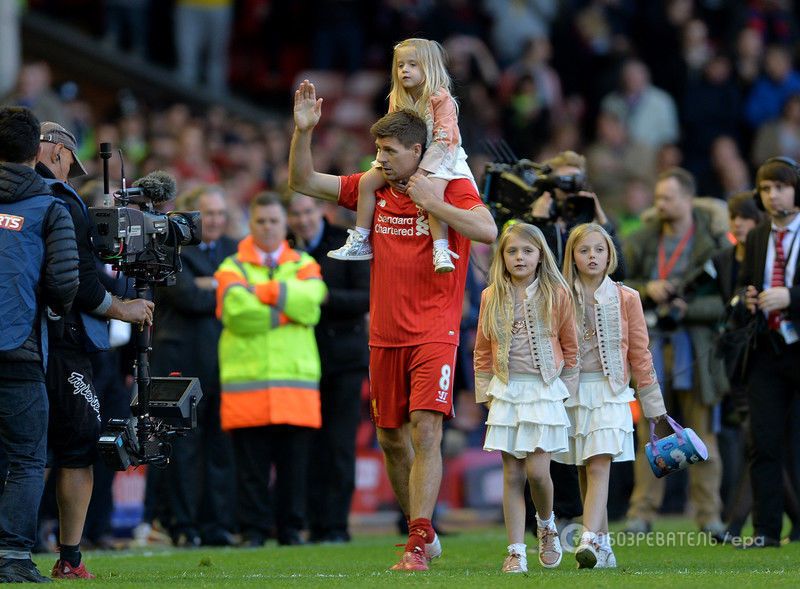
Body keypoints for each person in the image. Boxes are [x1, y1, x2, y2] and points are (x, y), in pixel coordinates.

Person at [289, 80, 497, 571]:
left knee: (426, 430)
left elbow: (488, 229)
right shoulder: (373, 189)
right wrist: (303, 134)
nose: (379, 159)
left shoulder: (451, 184)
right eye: (376, 149)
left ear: (418, 151)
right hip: (383, 333)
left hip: (435, 330)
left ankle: (418, 541)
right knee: (389, 437)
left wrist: (434, 202)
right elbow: (303, 181)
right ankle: (420, 528)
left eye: (389, 151)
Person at [35, 120, 154, 579]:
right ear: (57, 153)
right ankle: (70, 556)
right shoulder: (62, 201)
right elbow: (77, 281)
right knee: (75, 449)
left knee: (23, 448)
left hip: (20, 339)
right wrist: (121, 307)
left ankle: (12, 547)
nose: (69, 173)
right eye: (68, 163)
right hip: (64, 343)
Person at [214, 192, 326, 547]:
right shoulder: (231, 267)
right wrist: (286, 307)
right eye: (261, 221)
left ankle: (291, 530)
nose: (267, 227)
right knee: (251, 471)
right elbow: (236, 314)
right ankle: (254, 531)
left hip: (295, 386)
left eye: (274, 221)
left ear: (284, 224)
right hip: (248, 385)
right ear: (251, 224)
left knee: (295, 469)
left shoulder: (305, 262)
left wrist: (260, 291)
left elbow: (312, 308)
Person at [622, 167, 728, 538]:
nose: (660, 205)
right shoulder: (642, 239)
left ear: (687, 199)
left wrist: (689, 309)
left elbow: (728, 303)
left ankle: (709, 516)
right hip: (652, 346)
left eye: (667, 198)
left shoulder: (715, 243)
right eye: (658, 198)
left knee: (705, 437)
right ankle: (641, 515)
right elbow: (616, 283)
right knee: (650, 435)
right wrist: (648, 287)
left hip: (698, 350)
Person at [555, 223, 667, 569]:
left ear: (609, 255)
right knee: (583, 468)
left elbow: (640, 352)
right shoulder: (558, 295)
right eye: (584, 250)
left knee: (600, 462)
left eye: (599, 250)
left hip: (610, 391)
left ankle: (587, 538)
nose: (592, 256)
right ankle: (602, 545)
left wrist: (653, 405)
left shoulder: (626, 297)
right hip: (571, 392)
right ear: (572, 256)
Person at [0, 106, 78, 583]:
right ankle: (11, 555)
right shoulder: (50, 206)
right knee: (28, 457)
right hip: (20, 351)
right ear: (37, 152)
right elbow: (65, 284)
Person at [473, 223, 577, 573]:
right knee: (512, 473)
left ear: (539, 255)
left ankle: (546, 524)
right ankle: (515, 549)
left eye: (527, 251)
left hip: (544, 389)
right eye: (512, 251)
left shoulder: (556, 293)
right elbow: (483, 351)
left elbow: (570, 346)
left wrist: (568, 392)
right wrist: (485, 394)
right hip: (506, 390)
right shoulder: (491, 296)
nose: (520, 257)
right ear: (502, 257)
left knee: (537, 471)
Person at [328, 38, 477, 273]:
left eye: (412, 65)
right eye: (400, 65)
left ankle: (440, 248)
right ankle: (361, 239)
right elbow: (389, 135)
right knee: (367, 182)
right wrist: (392, 167)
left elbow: (442, 139)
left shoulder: (442, 99)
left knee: (432, 191)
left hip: (441, 156)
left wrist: (420, 172)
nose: (404, 70)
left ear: (428, 67)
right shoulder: (397, 98)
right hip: (407, 156)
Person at [151, 185, 238, 547]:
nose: (215, 221)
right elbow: (186, 295)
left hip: (226, 365)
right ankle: (182, 525)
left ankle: (216, 525)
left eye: (220, 214)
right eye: (208, 214)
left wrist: (211, 286)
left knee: (221, 450)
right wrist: (226, 286)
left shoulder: (235, 250)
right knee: (183, 449)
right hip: (181, 366)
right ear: (190, 217)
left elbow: (246, 291)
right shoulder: (170, 249)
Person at [286, 191, 370, 543]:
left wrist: (323, 297)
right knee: (304, 446)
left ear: (320, 211)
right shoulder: (285, 248)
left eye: (308, 211)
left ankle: (335, 525)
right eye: (296, 214)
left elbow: (367, 297)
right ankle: (305, 521)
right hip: (298, 360)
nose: (303, 220)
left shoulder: (347, 243)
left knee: (338, 445)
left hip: (343, 361)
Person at [737, 156, 800, 547]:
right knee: (762, 441)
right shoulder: (758, 235)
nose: (772, 194)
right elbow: (745, 282)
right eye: (765, 188)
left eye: (780, 186)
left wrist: (792, 297)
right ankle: (766, 530)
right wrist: (746, 297)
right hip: (765, 347)